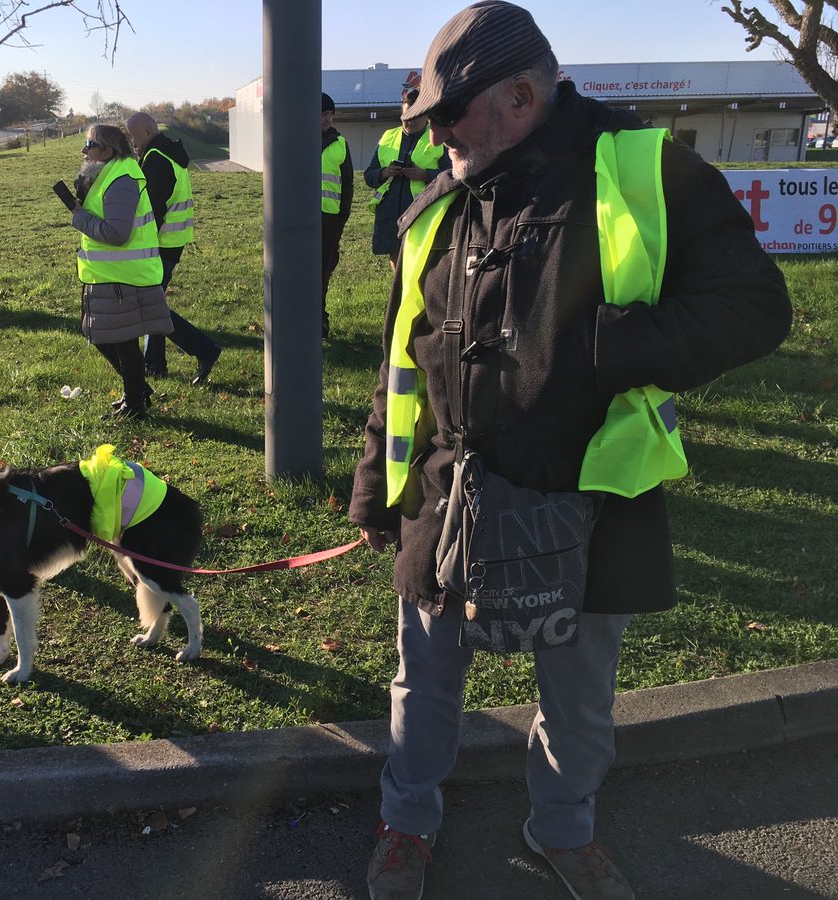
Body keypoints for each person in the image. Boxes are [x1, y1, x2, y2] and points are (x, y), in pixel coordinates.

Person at [349, 4, 793, 899]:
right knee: (424, 683)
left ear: (521, 95)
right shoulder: (438, 204)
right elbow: (404, 355)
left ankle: (565, 830)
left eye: (447, 114)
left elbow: (756, 308)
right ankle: (408, 826)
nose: (433, 137)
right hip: (446, 495)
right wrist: (372, 484)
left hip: (592, 499)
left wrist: (618, 348)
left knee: (579, 699)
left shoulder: (645, 170)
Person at [69, 124, 172, 420]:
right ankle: (137, 391)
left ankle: (136, 401)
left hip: (123, 276)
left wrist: (79, 218)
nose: (83, 150)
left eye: (89, 144)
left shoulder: (122, 179)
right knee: (102, 334)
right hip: (107, 274)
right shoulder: (110, 174)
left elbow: (117, 233)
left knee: (122, 341)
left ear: (107, 151)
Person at [125, 111, 222, 385]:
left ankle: (205, 350)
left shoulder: (156, 159)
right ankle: (154, 364)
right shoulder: (167, 152)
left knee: (150, 306)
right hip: (172, 241)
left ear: (146, 131)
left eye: (132, 135)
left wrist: (137, 245)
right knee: (153, 303)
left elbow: (153, 209)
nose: (131, 141)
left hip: (159, 244)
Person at [364, 76, 448, 269]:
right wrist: (385, 173)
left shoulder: (438, 137)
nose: (409, 122)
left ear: (426, 115)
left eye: (414, 118)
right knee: (397, 263)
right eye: (405, 118)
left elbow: (451, 176)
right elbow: (369, 175)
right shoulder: (388, 136)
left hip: (422, 210)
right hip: (391, 210)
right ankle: (399, 298)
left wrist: (425, 175)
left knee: (421, 263)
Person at [321, 92, 353, 339]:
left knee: (323, 270)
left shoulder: (340, 143)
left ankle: (319, 319)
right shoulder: (297, 139)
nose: (328, 119)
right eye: (323, 114)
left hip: (330, 219)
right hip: (300, 220)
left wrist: (342, 216)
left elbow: (348, 183)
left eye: (331, 114)